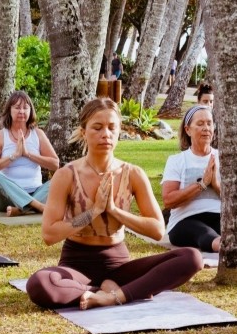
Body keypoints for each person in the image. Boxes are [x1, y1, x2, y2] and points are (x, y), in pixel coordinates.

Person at [26, 98, 202, 310]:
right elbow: (49, 234)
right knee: (40, 284)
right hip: (76, 266)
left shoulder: (133, 174)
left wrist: (114, 210)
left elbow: (157, 230)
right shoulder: (66, 175)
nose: (106, 134)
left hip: (119, 265)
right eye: (97, 128)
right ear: (84, 132)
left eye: (112, 128)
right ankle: (101, 291)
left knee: (192, 258)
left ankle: (112, 296)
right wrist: (93, 212)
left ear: (119, 131)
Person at [0, 91, 60, 217]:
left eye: (25, 108)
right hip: (6, 199)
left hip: (36, 192)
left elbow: (55, 164)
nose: (22, 111)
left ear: (31, 111)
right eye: (17, 108)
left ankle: (23, 209)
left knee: (60, 178)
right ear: (9, 110)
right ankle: (37, 206)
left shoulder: (38, 134)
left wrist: (28, 154)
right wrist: (15, 156)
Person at [162, 105, 222, 251]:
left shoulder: (223, 157)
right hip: (185, 220)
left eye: (209, 123)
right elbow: (169, 200)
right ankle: (222, 246)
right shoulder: (177, 160)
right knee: (204, 233)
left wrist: (215, 184)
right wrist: (201, 184)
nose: (206, 128)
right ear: (188, 130)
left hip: (219, 216)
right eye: (200, 124)